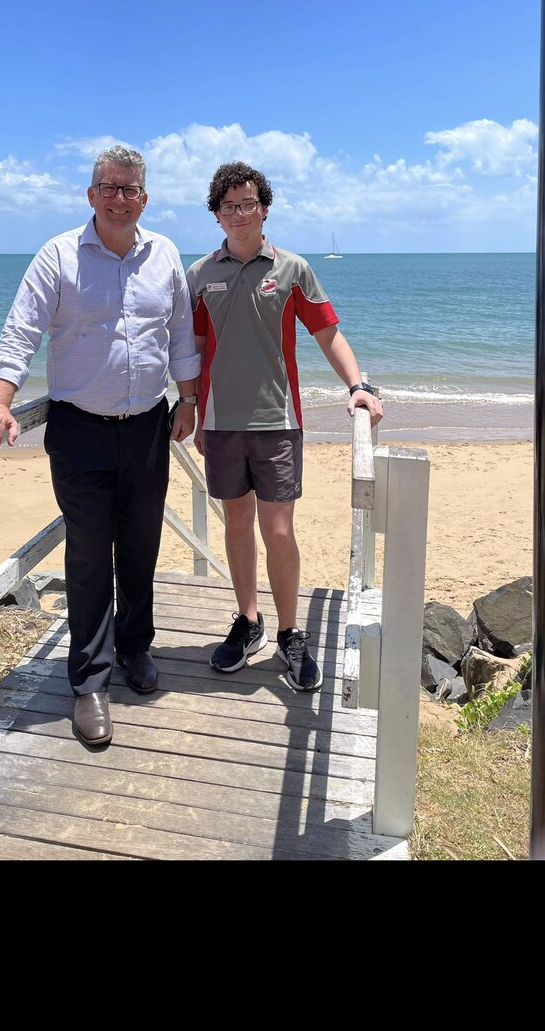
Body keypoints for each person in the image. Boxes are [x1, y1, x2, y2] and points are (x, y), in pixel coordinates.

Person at [0, 145, 200, 748]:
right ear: (91, 195)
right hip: (80, 428)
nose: (120, 198)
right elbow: (21, 331)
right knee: (90, 553)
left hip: (148, 423)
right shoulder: (57, 255)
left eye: (131, 189)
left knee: (142, 544)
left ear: (144, 197)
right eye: (109, 188)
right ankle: (89, 683)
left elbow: (180, 335)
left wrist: (190, 399)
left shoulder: (165, 253)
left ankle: (135, 649)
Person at [186, 160, 384, 692]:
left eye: (248, 203)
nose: (239, 213)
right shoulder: (201, 274)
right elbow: (195, 350)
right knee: (235, 526)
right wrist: (192, 408)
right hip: (222, 423)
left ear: (264, 208)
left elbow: (327, 333)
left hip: (278, 421)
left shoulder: (293, 269)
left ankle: (290, 634)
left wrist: (357, 385)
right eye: (228, 206)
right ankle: (247, 621)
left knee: (277, 530)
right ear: (217, 215)